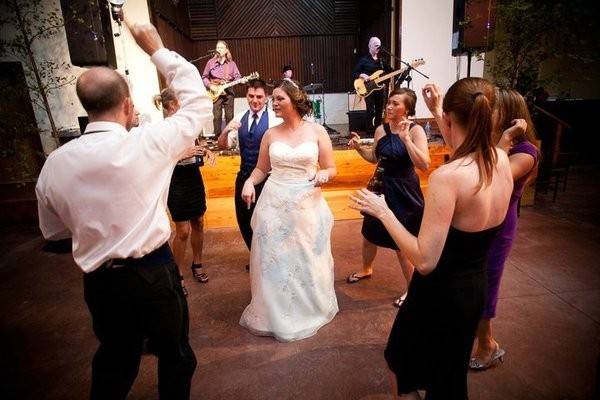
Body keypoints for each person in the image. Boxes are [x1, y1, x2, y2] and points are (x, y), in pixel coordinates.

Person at [35, 19, 212, 399]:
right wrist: (156, 49)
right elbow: (198, 102)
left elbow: (53, 232)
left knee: (116, 358)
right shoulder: (148, 143)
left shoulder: (54, 164)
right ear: (129, 105)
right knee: (175, 356)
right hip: (153, 273)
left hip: (99, 281)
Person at [351, 77, 513, 399]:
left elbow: (424, 260)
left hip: (439, 294)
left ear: (451, 121)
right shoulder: (501, 160)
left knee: (400, 360)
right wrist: (439, 109)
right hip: (472, 289)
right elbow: (464, 149)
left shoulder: (447, 178)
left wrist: (384, 211)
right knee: (448, 376)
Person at [238, 78, 338, 342]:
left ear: (295, 101)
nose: (274, 102)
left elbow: (331, 168)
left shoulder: (317, 132)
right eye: (274, 98)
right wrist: (249, 181)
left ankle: (309, 306)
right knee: (275, 257)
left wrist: (324, 176)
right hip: (274, 202)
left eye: (279, 98)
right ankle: (275, 310)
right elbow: (261, 169)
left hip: (307, 202)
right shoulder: (270, 134)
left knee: (305, 255)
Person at [470, 89, 539, 370]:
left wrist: (505, 140)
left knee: (485, 288)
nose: (487, 114)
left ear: (510, 116)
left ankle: (488, 345)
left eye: (493, 108)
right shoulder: (492, 143)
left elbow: (494, 178)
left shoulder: (526, 152)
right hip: (479, 222)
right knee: (472, 287)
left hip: (499, 228)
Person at [346, 89, 430, 309]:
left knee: (401, 244)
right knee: (369, 234)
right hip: (381, 186)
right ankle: (367, 268)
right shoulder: (380, 129)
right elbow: (374, 157)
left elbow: (424, 164)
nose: (389, 107)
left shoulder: (416, 130)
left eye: (395, 104)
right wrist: (358, 148)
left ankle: (413, 289)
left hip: (404, 191)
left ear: (408, 109)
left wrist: (406, 140)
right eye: (389, 103)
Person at [154, 88, 216, 291]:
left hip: (193, 176)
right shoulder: (163, 128)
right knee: (182, 231)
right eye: (182, 100)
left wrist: (205, 151)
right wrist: (181, 155)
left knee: (198, 222)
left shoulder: (189, 124)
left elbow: (195, 147)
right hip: (176, 179)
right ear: (172, 105)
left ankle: (197, 264)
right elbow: (159, 159)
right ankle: (177, 273)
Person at [217, 79, 282, 267]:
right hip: (244, 175)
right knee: (244, 220)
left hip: (268, 179)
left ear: (266, 97)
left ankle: (269, 259)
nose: (255, 101)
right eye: (251, 96)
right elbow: (224, 145)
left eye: (259, 97)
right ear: (246, 96)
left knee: (267, 222)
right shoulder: (239, 117)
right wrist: (225, 131)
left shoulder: (275, 119)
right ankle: (256, 256)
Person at [352, 37, 392, 136]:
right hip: (367, 88)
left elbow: (390, 71)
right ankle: (369, 133)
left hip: (379, 88)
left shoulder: (382, 60)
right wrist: (362, 75)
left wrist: (402, 70)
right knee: (370, 110)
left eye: (379, 45)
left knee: (379, 109)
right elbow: (355, 73)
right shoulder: (364, 60)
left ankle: (378, 131)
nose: (378, 47)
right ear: (370, 46)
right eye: (376, 45)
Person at [202, 40, 242, 137]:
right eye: (218, 48)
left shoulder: (231, 64)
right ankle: (217, 138)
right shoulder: (210, 63)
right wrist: (211, 86)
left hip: (228, 91)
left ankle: (230, 138)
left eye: (221, 48)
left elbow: (238, 77)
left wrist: (241, 81)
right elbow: (204, 77)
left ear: (226, 50)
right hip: (215, 92)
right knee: (217, 117)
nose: (219, 49)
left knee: (229, 116)